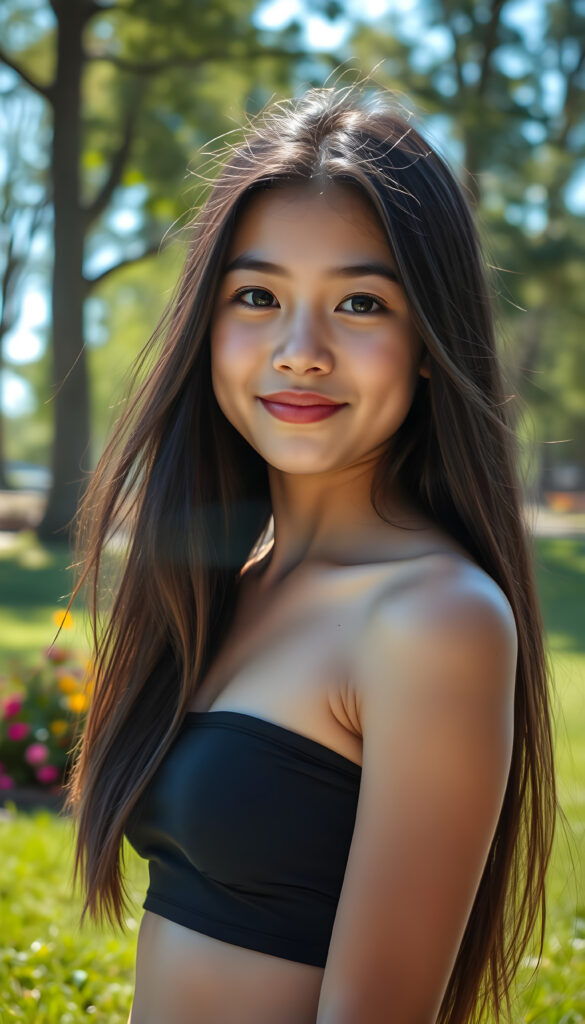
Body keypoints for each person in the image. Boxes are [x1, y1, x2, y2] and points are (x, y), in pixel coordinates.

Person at [61, 81, 558, 1024]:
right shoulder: (230, 587)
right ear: (207, 326)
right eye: (257, 295)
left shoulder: (432, 619)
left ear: (426, 341)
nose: (299, 350)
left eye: (361, 304)